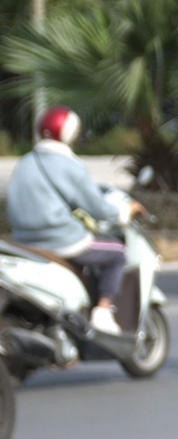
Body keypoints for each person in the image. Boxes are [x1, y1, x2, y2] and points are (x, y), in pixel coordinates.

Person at [8, 107, 130, 336]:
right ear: (69, 134)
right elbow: (98, 208)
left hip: (23, 242)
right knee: (118, 252)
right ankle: (103, 313)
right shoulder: (69, 165)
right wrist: (124, 211)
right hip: (61, 241)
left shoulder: (25, 162)